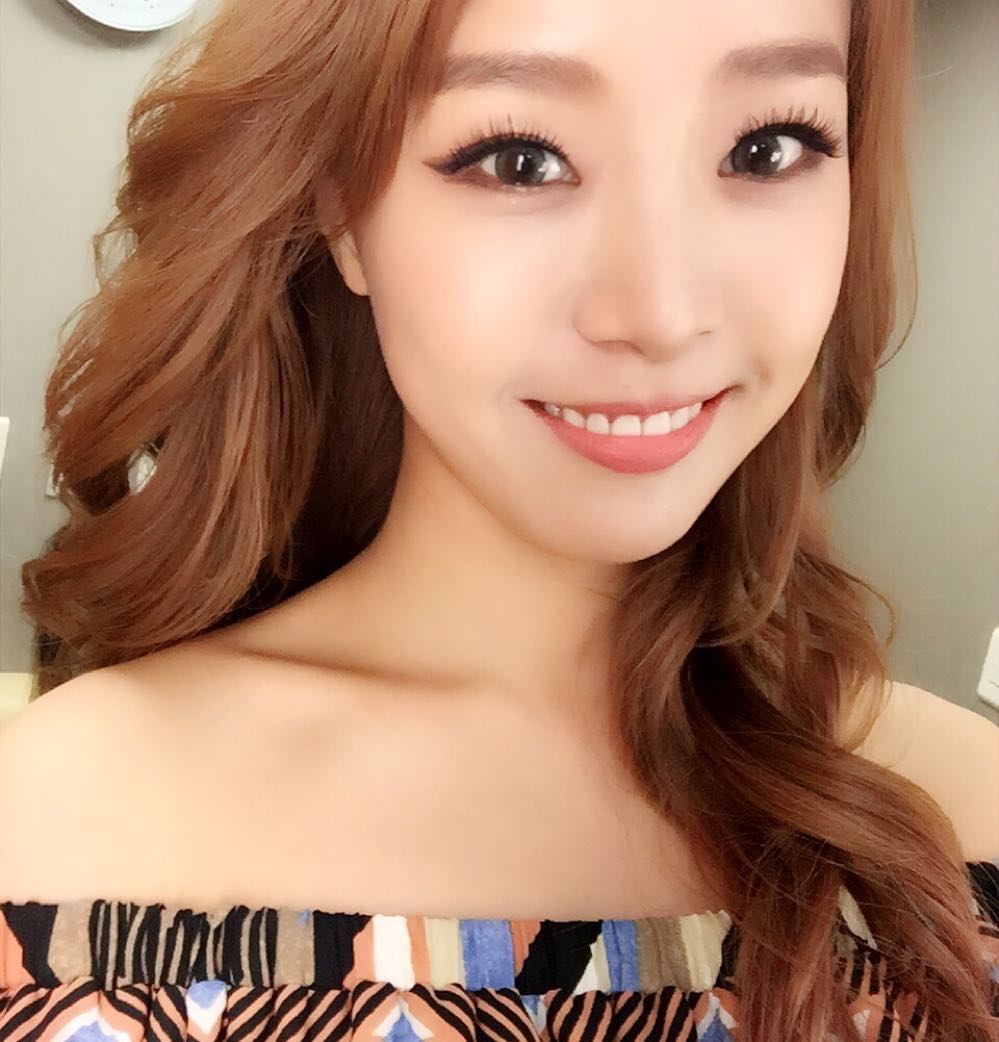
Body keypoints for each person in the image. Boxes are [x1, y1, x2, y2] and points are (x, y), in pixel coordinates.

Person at [1, 0, 997, 1038]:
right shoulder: (62, 832)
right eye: (520, 160)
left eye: (768, 147)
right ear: (344, 215)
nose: (661, 314)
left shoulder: (959, 814)